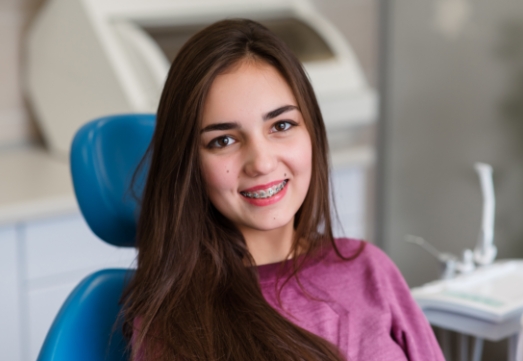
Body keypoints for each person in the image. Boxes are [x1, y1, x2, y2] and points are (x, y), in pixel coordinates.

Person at [121, 19, 445, 361]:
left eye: (282, 125)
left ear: (312, 133)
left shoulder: (369, 269)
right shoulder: (174, 322)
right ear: (189, 164)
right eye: (224, 140)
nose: (261, 162)